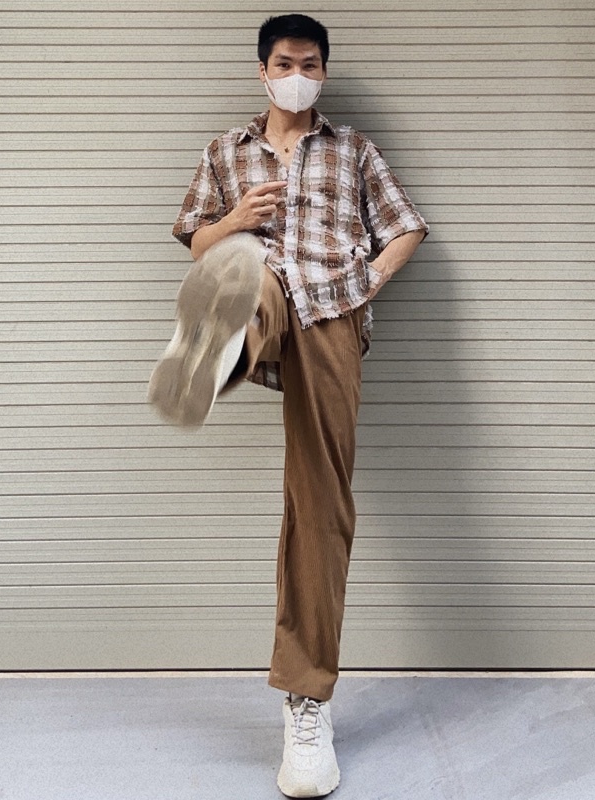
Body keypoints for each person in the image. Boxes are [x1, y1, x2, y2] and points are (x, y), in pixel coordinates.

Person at [149, 13, 427, 798]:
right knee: (253, 278)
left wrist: (370, 280)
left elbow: (405, 227)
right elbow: (194, 237)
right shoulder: (225, 152)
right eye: (283, 63)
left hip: (334, 309)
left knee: (320, 502)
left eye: (309, 64)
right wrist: (234, 222)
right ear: (262, 71)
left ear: (323, 73)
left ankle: (307, 702)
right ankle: (226, 344)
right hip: (263, 283)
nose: (296, 75)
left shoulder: (354, 150)